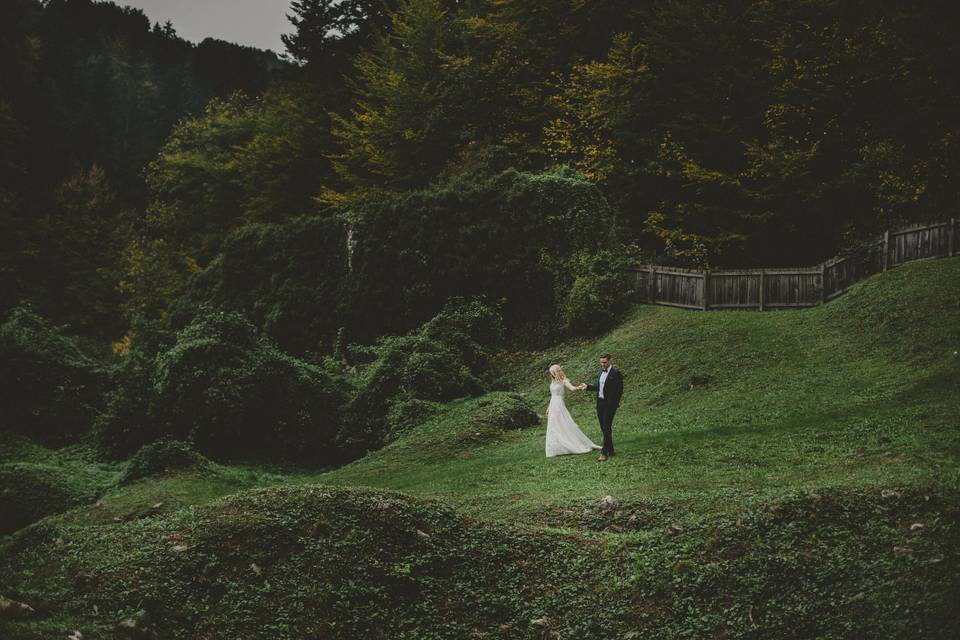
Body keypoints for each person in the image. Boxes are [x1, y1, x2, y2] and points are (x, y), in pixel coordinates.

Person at [544, 364, 602, 457]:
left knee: (563, 424)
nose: (552, 374)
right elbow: (552, 396)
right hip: (553, 405)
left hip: (559, 405)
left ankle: (570, 444)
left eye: (554, 372)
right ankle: (556, 447)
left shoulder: (564, 381)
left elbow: (572, 388)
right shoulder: (553, 381)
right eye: (551, 373)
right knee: (553, 425)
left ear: (557, 371)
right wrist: (548, 408)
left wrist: (579, 387)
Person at [584, 353, 623, 462]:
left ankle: (604, 453)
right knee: (604, 428)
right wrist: (587, 387)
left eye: (605, 362)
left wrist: (613, 403)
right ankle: (610, 450)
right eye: (601, 362)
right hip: (600, 403)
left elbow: (619, 391)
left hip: (609, 405)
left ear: (609, 361)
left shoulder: (616, 374)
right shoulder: (601, 372)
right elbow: (599, 387)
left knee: (606, 427)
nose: (603, 364)